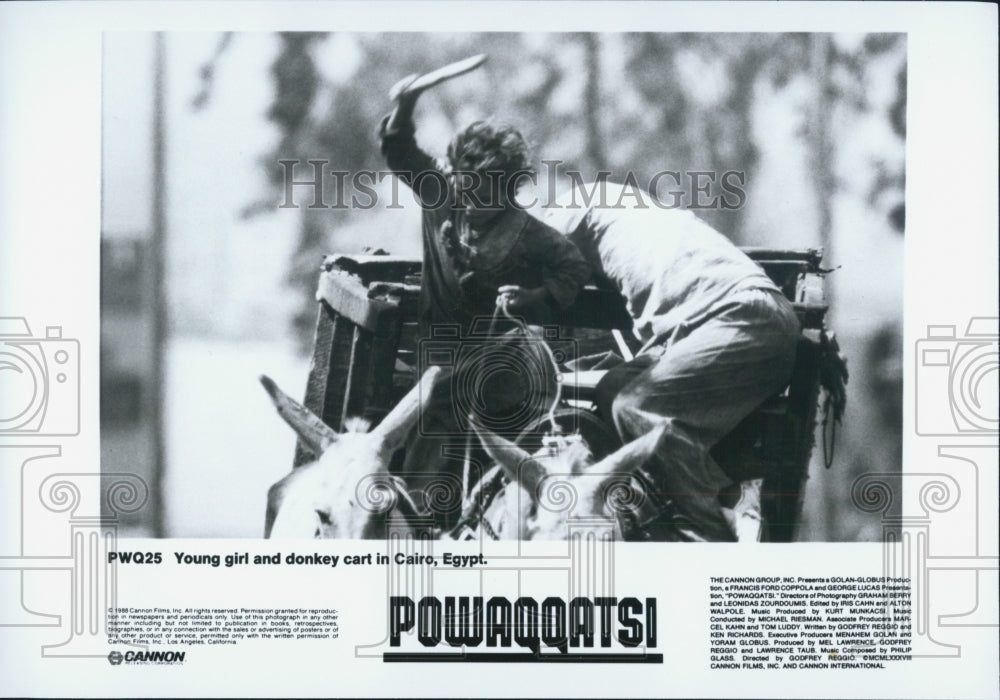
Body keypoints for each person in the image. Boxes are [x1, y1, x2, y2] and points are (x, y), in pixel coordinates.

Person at [379, 71, 591, 528]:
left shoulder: (530, 235)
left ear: (511, 188)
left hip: (501, 367)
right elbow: (399, 151)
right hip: (437, 360)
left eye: (488, 193)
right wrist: (407, 104)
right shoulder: (441, 195)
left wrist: (533, 297)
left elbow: (573, 267)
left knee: (494, 478)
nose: (472, 201)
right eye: (467, 187)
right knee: (428, 474)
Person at [544, 180, 801, 542]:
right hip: (722, 320)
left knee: (636, 409)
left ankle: (715, 534)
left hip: (745, 317)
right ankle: (713, 501)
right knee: (612, 390)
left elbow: (536, 256)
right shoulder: (630, 209)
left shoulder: (574, 209)